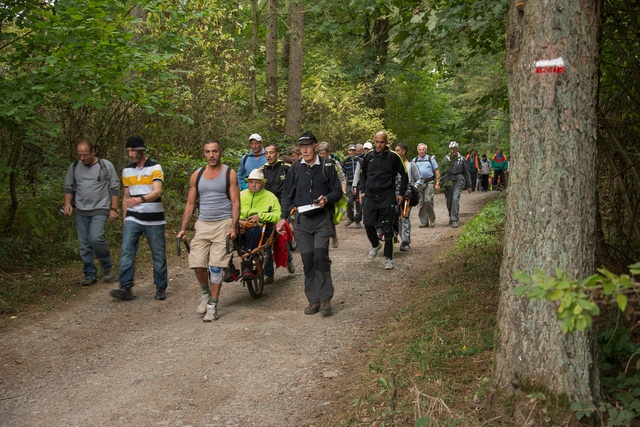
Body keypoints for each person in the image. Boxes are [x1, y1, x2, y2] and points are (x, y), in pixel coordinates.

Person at [276, 131, 342, 316]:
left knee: (320, 255)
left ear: (315, 146)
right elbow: (287, 194)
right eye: (302, 147)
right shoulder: (295, 168)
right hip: (302, 221)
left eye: (308, 146)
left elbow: (337, 191)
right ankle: (313, 300)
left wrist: (327, 199)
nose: (304, 150)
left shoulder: (327, 166)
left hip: (322, 219)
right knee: (307, 258)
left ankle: (325, 298)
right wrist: (283, 217)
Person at [176, 140, 240, 322]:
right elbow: (190, 204)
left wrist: (233, 226)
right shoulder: (197, 175)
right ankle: (205, 292)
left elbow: (236, 202)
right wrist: (182, 229)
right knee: (197, 263)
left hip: (223, 223)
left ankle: (213, 304)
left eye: (214, 151)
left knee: (216, 265)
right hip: (203, 223)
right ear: (204, 154)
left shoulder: (230, 173)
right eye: (207, 152)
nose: (211, 155)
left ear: (220, 152)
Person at [110, 136, 168, 301]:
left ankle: (161, 286)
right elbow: (126, 196)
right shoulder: (127, 170)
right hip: (133, 217)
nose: (130, 154)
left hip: (154, 218)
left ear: (141, 150)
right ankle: (125, 287)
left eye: (133, 150)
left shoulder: (155, 167)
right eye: (128, 151)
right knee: (127, 251)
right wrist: (125, 217)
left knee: (158, 253)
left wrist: (140, 199)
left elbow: (157, 191)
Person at [63, 139, 120, 286]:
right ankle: (89, 273)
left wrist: (114, 209)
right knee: (84, 244)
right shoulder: (74, 166)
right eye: (79, 155)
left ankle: (107, 266)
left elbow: (114, 187)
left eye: (85, 155)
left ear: (93, 151)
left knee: (95, 238)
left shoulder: (105, 166)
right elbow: (69, 186)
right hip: (81, 210)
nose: (82, 158)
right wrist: (68, 203)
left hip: (100, 208)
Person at [359, 131, 408, 270]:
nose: (379, 145)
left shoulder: (393, 157)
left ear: (386, 142)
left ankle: (389, 258)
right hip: (370, 196)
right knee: (368, 223)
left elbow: (404, 175)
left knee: (387, 227)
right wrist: (362, 190)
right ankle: (375, 244)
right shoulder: (368, 157)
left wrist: (401, 193)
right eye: (377, 142)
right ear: (374, 141)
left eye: (382, 142)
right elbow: (363, 175)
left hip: (387, 195)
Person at [259, 144, 295, 283]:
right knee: (267, 241)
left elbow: (293, 186)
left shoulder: (286, 168)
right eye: (266, 153)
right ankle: (269, 273)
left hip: (283, 207)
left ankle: (289, 259)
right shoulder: (262, 171)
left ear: (277, 154)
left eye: (271, 152)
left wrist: (292, 205)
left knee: (281, 237)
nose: (269, 155)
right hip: (268, 208)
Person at [239, 169, 282, 274]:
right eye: (250, 182)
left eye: (257, 182)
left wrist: (260, 216)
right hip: (240, 225)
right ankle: (228, 265)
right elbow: (231, 210)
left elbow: (278, 216)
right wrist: (238, 220)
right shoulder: (240, 195)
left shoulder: (270, 197)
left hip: (260, 227)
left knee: (254, 231)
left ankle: (249, 261)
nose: (253, 185)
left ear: (263, 184)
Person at [317, 141, 346, 249]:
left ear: (328, 152)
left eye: (323, 153)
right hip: (319, 192)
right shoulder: (315, 162)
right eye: (319, 153)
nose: (321, 155)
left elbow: (342, 177)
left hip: (331, 193)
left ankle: (333, 235)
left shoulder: (334, 163)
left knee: (329, 217)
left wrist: (342, 189)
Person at [395, 142, 420, 251]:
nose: (396, 152)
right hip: (395, 194)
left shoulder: (411, 165)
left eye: (398, 150)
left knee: (405, 216)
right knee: (396, 217)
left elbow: (419, 178)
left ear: (404, 152)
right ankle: (396, 236)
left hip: (407, 194)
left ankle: (405, 241)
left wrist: (414, 186)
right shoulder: (394, 164)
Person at [440, 141, 472, 228]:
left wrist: (469, 185)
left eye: (455, 148)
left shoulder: (462, 159)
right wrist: (440, 184)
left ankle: (454, 219)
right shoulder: (446, 159)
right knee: (449, 200)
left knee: (455, 199)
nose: (453, 150)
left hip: (458, 180)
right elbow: (442, 172)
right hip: (448, 181)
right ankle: (451, 215)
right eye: (451, 148)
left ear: (458, 148)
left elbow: (466, 172)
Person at [412, 143, 441, 228]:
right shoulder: (415, 160)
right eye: (420, 150)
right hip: (419, 184)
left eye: (423, 149)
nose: (422, 151)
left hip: (429, 182)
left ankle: (432, 219)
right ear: (418, 151)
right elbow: (411, 173)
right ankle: (424, 222)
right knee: (421, 203)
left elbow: (437, 171)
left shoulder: (430, 159)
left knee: (428, 200)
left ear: (426, 150)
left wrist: (437, 183)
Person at [343, 144, 363, 228]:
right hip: (349, 183)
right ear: (348, 151)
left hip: (358, 184)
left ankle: (358, 220)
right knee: (349, 201)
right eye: (350, 150)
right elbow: (343, 174)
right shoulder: (345, 161)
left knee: (358, 202)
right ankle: (351, 218)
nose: (352, 152)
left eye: (353, 150)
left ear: (355, 151)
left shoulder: (360, 160)